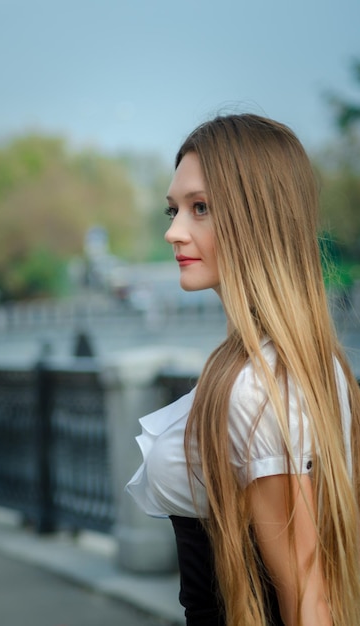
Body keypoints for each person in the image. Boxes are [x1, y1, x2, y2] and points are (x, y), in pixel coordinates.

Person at [126, 113, 360, 626]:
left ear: (259, 217)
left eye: (200, 208)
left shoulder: (262, 386)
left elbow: (308, 602)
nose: (173, 232)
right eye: (174, 210)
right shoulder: (298, 367)